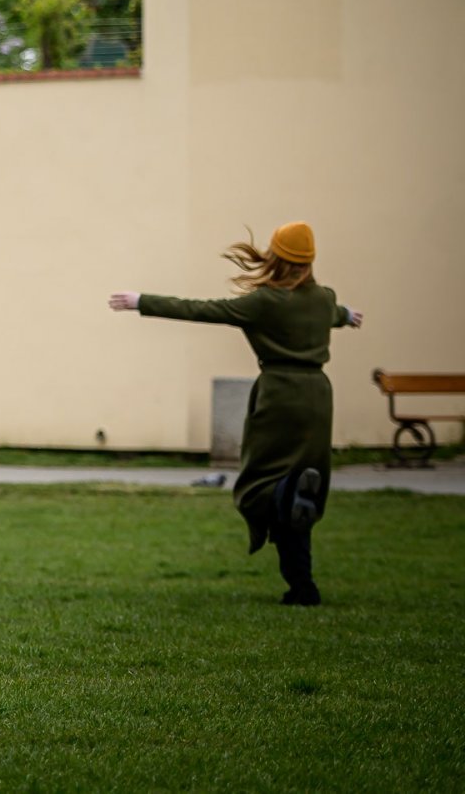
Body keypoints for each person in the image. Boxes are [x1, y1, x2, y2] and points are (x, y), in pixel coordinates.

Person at [108, 222, 362, 606]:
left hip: (279, 395)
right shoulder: (325, 299)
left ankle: (280, 497)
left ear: (277, 257)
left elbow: (203, 310)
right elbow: (336, 313)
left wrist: (142, 300)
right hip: (318, 398)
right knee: (300, 500)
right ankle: (302, 585)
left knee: (257, 485)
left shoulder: (265, 302)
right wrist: (347, 315)